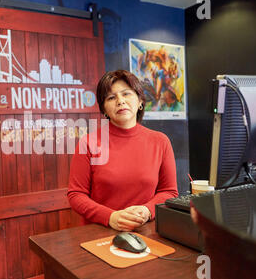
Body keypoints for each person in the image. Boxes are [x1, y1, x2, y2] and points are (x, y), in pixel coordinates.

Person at [67, 70, 178, 231]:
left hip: (146, 231)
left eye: (126, 94)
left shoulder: (160, 141)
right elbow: (76, 195)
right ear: (104, 109)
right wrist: (111, 217)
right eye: (111, 97)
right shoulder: (89, 143)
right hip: (99, 233)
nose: (120, 101)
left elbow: (169, 191)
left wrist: (147, 210)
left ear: (140, 101)